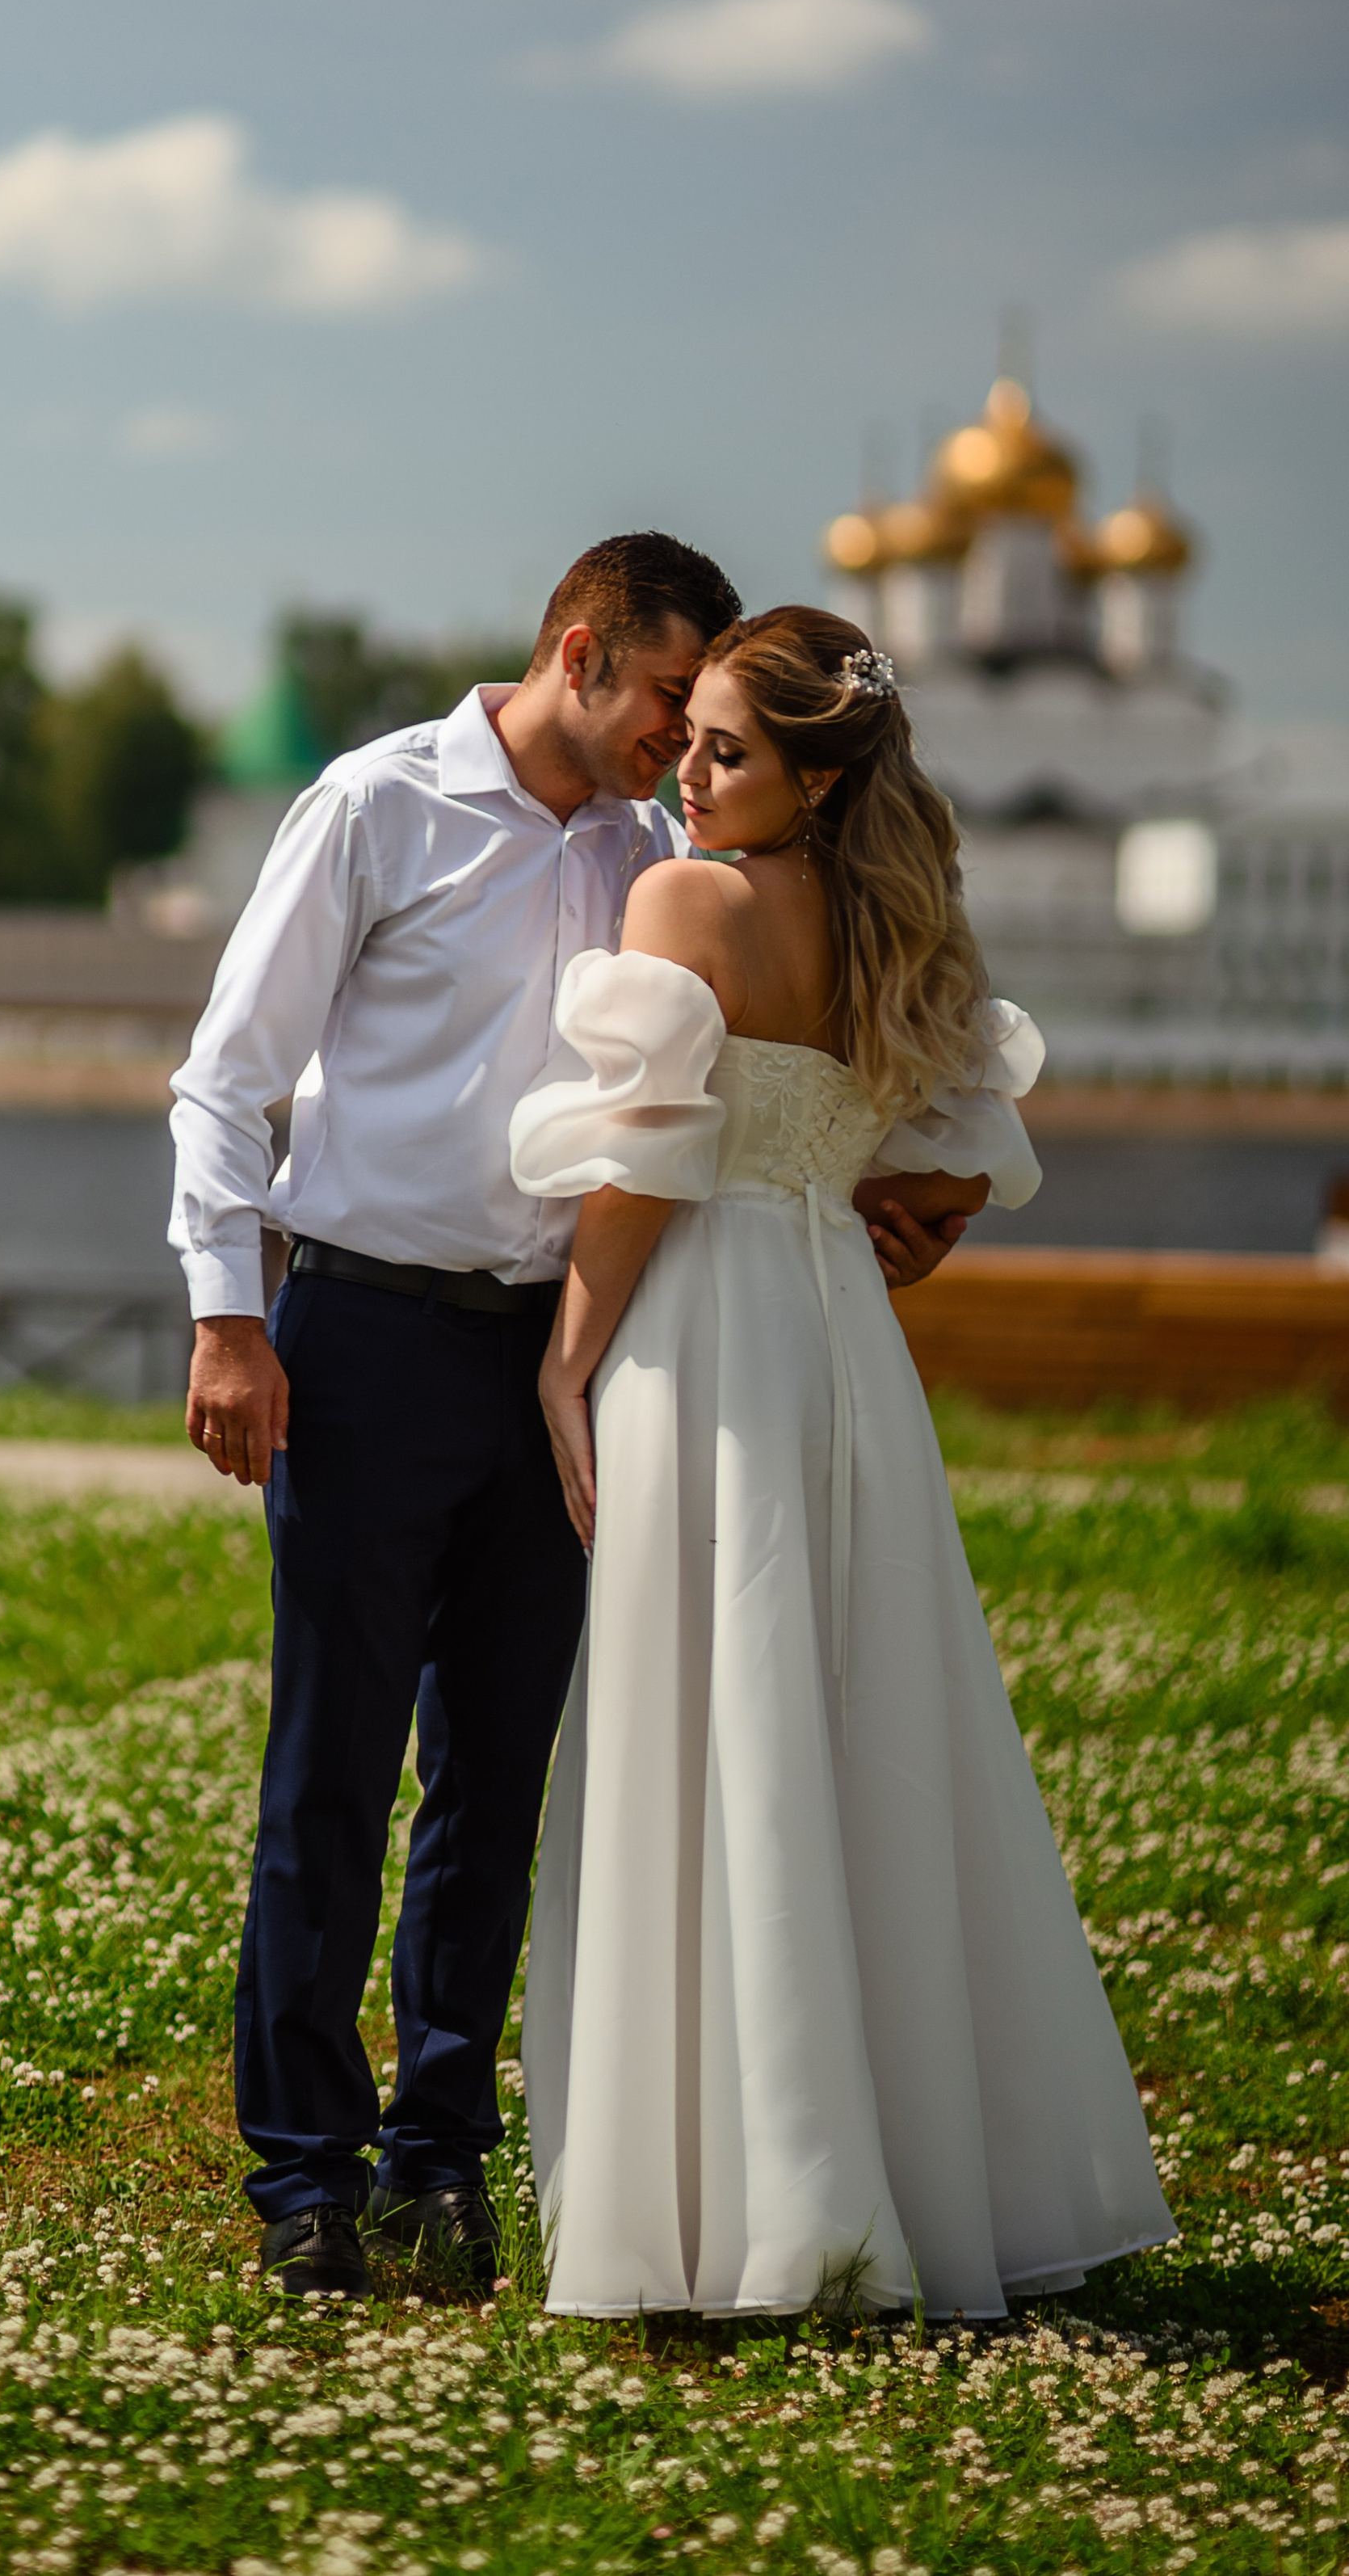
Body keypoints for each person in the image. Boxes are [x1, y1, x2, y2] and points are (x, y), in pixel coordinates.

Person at [170, 539, 976, 2301]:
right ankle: (300, 2177)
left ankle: (437, 2161)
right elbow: (226, 1078)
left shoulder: (656, 853)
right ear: (577, 649)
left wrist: (866, 1197)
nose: (669, 756)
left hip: (572, 1359)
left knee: (495, 1775)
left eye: (702, 730)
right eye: (659, 715)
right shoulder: (372, 806)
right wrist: (228, 1316)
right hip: (365, 1333)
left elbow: (707, 1115)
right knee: (329, 1771)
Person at [511, 607, 1174, 2319]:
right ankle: (880, 2171)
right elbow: (958, 1164)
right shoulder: (892, 919)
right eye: (693, 739)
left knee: (704, 1709)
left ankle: (723, 2197)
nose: (688, 773)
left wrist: (570, 1353)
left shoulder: (682, 901)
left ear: (808, 774)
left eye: (725, 751)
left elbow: (647, 1160)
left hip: (706, 1330)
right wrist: (893, 1228)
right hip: (840, 1345)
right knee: (855, 1717)